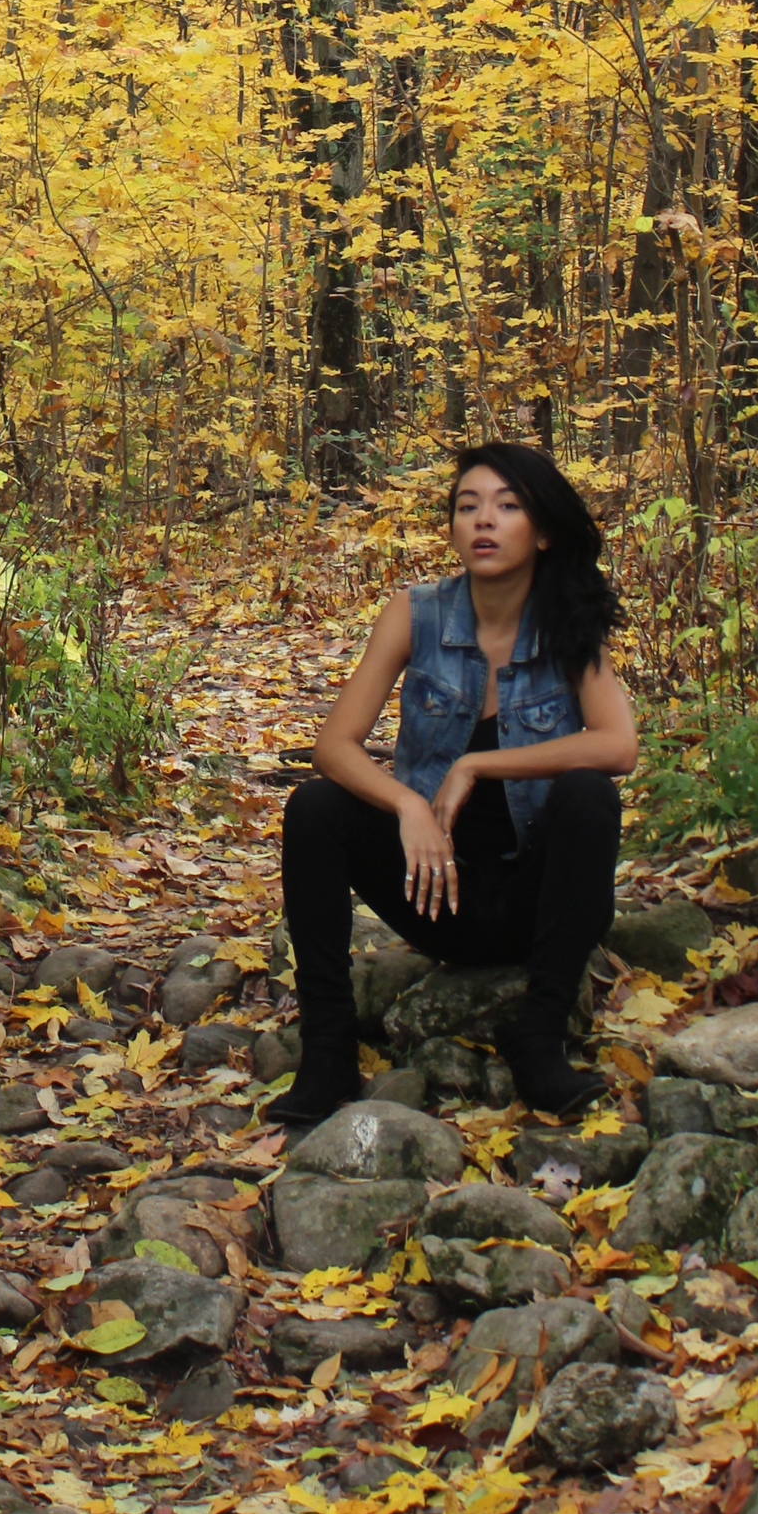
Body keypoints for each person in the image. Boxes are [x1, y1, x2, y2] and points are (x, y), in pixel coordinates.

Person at [272, 441, 636, 1128]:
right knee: (316, 808)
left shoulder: (568, 618)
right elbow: (332, 745)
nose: (484, 522)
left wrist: (478, 764)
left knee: (591, 794)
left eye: (506, 506)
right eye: (468, 507)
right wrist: (407, 803)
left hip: (537, 906)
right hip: (438, 895)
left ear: (545, 530)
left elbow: (618, 746)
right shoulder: (417, 613)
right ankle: (327, 1050)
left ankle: (541, 1036)